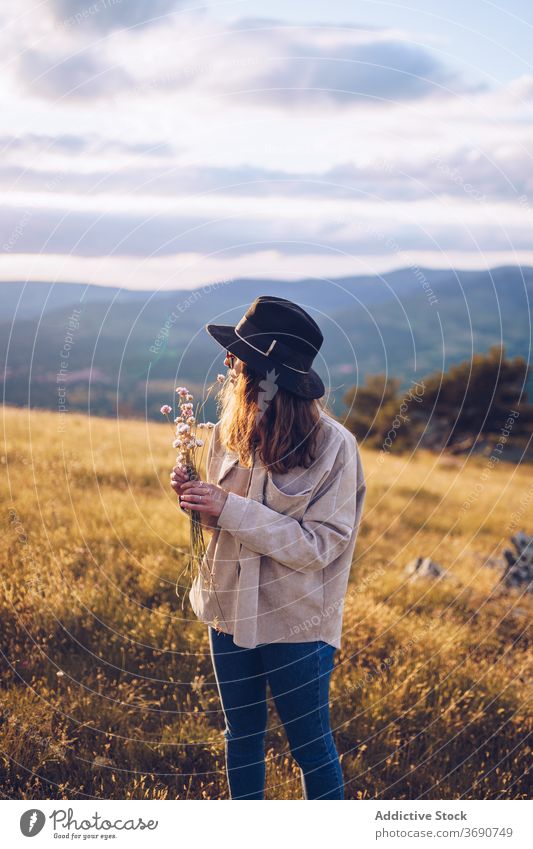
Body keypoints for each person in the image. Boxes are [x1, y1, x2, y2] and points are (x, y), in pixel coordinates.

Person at [170, 295, 367, 800]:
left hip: (296, 622)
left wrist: (228, 508)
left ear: (265, 372)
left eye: (237, 357)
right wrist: (196, 500)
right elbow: (222, 525)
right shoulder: (225, 435)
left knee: (310, 747)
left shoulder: (334, 449)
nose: (228, 365)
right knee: (243, 739)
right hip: (227, 611)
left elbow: (321, 546)